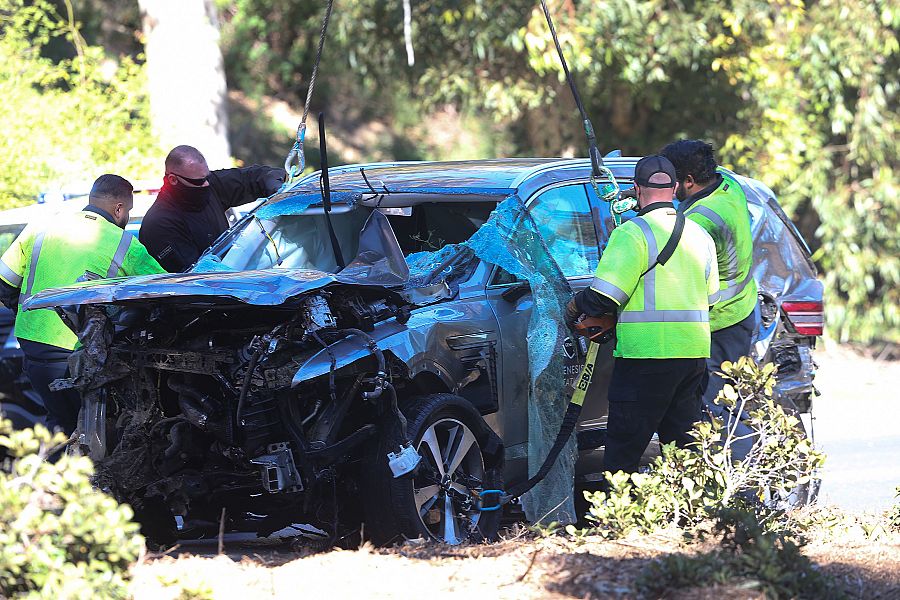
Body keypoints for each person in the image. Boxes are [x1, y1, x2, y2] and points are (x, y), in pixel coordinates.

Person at [566, 155, 719, 474]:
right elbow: (712, 298)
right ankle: (692, 519)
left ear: (636, 189)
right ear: (676, 188)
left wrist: (573, 307)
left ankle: (619, 523)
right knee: (684, 452)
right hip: (691, 357)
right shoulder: (700, 235)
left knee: (623, 452)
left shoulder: (632, 234)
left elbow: (602, 297)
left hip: (644, 359)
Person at [0, 175, 166, 434]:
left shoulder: (42, 226)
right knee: (95, 433)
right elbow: (164, 293)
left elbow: (4, 284)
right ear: (119, 208)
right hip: (78, 353)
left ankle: (58, 468)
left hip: (32, 347)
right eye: (127, 212)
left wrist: (30, 315)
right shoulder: (124, 244)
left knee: (61, 426)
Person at [661, 140, 759, 459]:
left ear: (689, 181)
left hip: (720, 322)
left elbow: (660, 251)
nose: (666, 186)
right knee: (728, 401)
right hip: (742, 308)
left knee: (718, 411)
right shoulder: (727, 185)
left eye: (670, 180)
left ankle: (738, 491)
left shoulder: (700, 220)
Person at [139, 145, 286, 272]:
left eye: (207, 177)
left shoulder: (209, 184)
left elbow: (252, 177)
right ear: (173, 180)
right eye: (199, 181)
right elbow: (192, 276)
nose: (206, 185)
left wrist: (274, 183)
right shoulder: (160, 223)